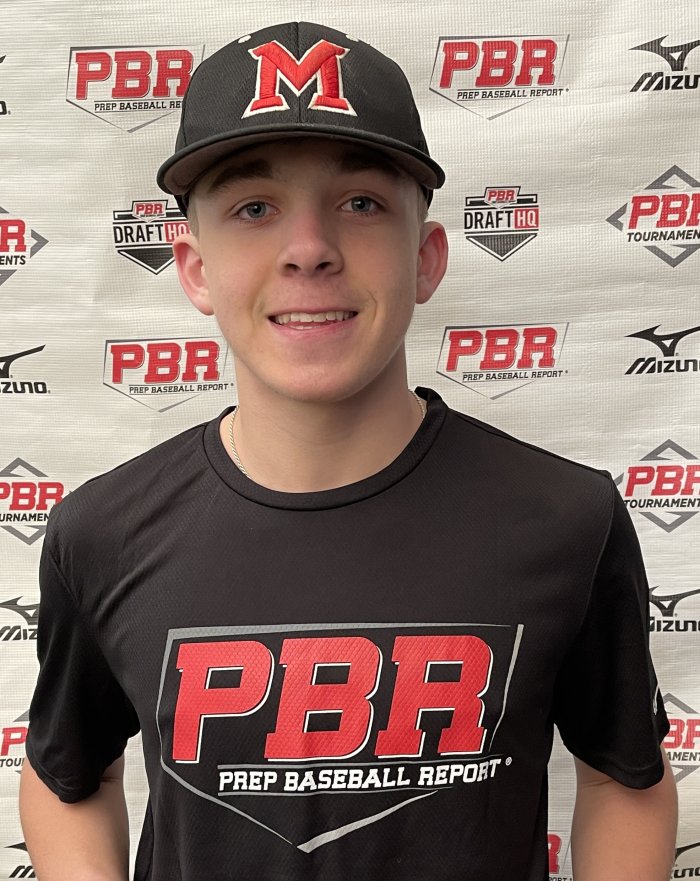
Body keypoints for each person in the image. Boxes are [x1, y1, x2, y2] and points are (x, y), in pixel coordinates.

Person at [19, 20, 677, 881]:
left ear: (426, 257)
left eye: (361, 203)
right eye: (255, 209)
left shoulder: (566, 520)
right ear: (194, 268)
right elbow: (71, 775)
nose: (309, 251)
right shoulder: (102, 532)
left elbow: (623, 774)